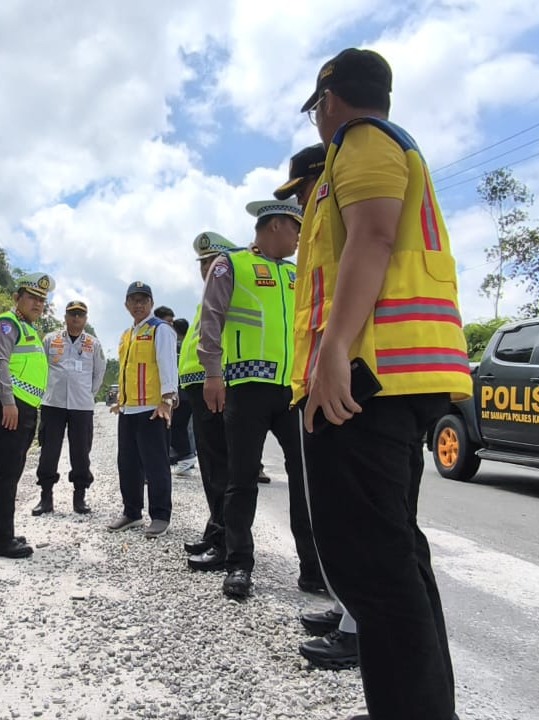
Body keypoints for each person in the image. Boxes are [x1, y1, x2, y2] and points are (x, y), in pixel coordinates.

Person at [295, 48, 471, 720]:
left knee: (371, 568)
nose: (319, 120)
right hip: (390, 377)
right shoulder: (385, 145)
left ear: (330, 100)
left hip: (367, 380)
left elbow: (371, 237)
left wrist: (334, 348)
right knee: (394, 560)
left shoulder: (361, 142)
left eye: (317, 108)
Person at [199, 200, 322, 599]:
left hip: (294, 392)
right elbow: (211, 319)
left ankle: (313, 569)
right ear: (275, 226)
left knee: (306, 480)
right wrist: (213, 373)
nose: (299, 238)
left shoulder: (297, 273)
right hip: (246, 387)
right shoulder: (231, 264)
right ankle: (239, 564)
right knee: (242, 479)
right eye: (296, 229)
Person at [273, 142, 361, 669]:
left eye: (304, 191)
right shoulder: (323, 230)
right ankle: (349, 609)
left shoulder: (347, 215)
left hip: (350, 380)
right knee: (335, 509)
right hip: (324, 381)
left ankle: (360, 625)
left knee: (355, 514)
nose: (302, 205)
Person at [0, 272, 55, 559]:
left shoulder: (27, 328)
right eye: (32, 297)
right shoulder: (7, 324)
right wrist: (8, 402)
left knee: (6, 472)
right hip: (11, 407)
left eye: (41, 300)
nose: (37, 304)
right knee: (7, 474)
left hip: (23, 407)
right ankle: (2, 541)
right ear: (17, 298)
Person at [179, 231, 236, 571]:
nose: (206, 269)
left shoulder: (227, 295)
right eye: (202, 263)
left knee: (221, 469)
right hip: (197, 390)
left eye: (212, 261)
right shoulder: (206, 300)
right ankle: (215, 531)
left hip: (214, 387)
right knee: (211, 468)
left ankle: (225, 541)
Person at [107, 281, 178, 539]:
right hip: (129, 410)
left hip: (152, 409)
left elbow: (168, 365)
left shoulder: (160, 329)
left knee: (156, 465)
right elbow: (126, 369)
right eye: (133, 300)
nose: (138, 305)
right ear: (126, 304)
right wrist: (121, 400)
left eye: (143, 300)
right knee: (128, 465)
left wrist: (167, 400)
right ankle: (132, 512)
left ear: (151, 303)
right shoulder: (127, 334)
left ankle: (160, 516)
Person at [32, 300, 106, 516]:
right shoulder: (50, 339)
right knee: (48, 451)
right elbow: (40, 367)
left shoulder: (93, 344)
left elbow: (99, 373)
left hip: (81, 406)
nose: (76, 318)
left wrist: (88, 393)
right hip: (52, 403)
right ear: (65, 317)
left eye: (80, 315)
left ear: (85, 319)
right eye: (72, 314)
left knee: (81, 452)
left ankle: (79, 496)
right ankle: (46, 497)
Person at [170, 317, 197, 475]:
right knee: (187, 428)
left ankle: (186, 457)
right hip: (191, 391)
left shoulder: (176, 347)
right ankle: (186, 458)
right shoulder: (191, 344)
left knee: (176, 427)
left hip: (180, 393)